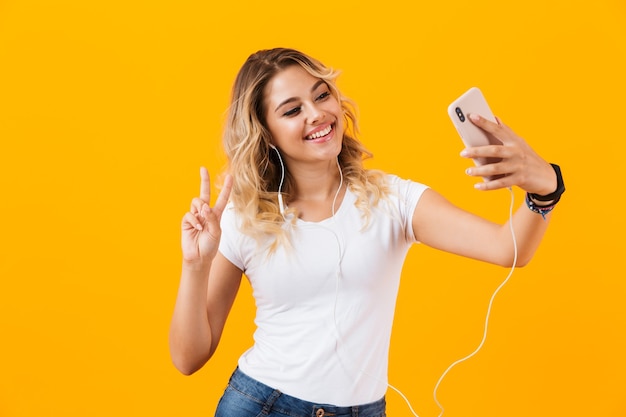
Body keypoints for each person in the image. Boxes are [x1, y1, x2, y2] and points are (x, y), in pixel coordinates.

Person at [168, 48, 564, 417]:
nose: (317, 114)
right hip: (264, 403)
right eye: (292, 110)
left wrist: (545, 188)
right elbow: (189, 358)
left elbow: (506, 248)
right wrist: (194, 264)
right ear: (266, 132)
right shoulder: (245, 216)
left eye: (321, 95)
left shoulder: (393, 200)